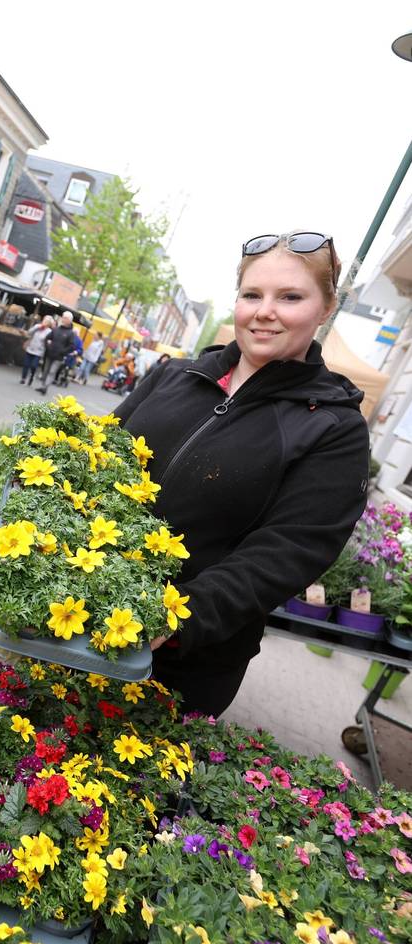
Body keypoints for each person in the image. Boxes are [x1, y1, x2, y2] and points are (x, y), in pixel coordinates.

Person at [117, 231, 369, 717]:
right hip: (72, 613)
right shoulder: (176, 376)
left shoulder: (332, 427)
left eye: (290, 297)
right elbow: (94, 457)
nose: (264, 311)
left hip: (177, 661)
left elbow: (288, 551)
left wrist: (174, 616)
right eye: (252, 294)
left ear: (326, 308)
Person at [35, 312, 77, 395]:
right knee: (45, 370)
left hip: (59, 357)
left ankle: (45, 387)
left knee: (52, 371)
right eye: (63, 317)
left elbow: (72, 346)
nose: (63, 319)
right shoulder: (56, 329)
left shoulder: (70, 333)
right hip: (50, 354)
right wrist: (48, 347)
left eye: (65, 318)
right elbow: (47, 338)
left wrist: (63, 352)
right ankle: (43, 385)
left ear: (69, 320)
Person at [20, 316, 53, 385]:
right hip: (30, 347)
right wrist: (37, 328)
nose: (44, 322)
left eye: (46, 322)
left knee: (33, 365)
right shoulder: (37, 326)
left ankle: (32, 375)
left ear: (49, 324)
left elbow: (49, 340)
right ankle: (23, 378)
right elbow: (29, 332)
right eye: (44, 320)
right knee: (26, 364)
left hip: (39, 351)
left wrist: (48, 342)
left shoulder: (49, 331)